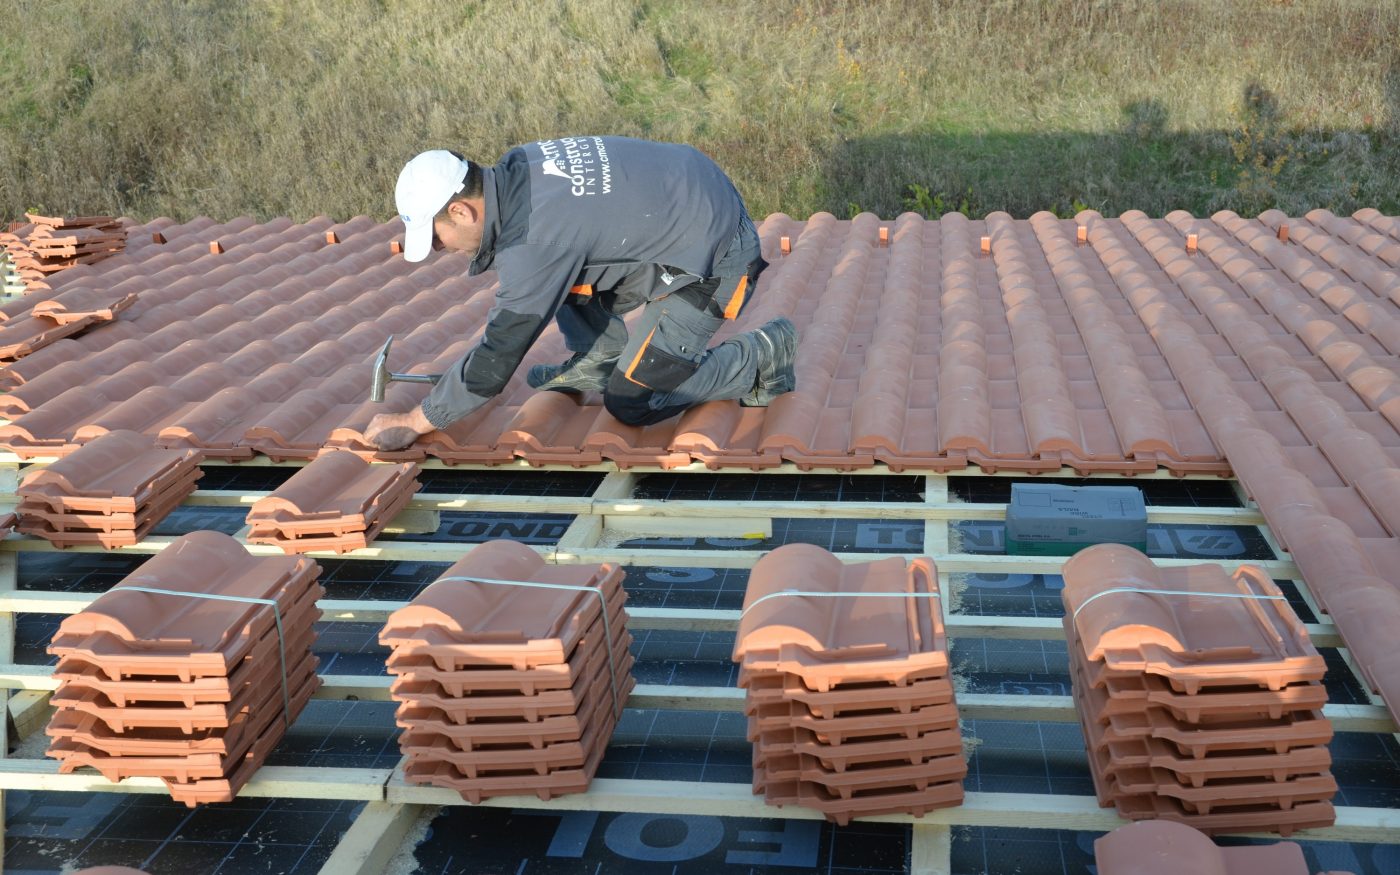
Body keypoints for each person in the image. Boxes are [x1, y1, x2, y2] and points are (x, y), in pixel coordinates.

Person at [363, 137, 797, 451]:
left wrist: (416, 420)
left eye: (437, 237)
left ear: (460, 210)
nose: (439, 249)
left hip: (716, 256)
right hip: (690, 193)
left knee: (632, 402)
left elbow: (495, 362)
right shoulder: (518, 168)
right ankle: (597, 359)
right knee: (568, 271)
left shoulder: (534, 243)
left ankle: (761, 355)